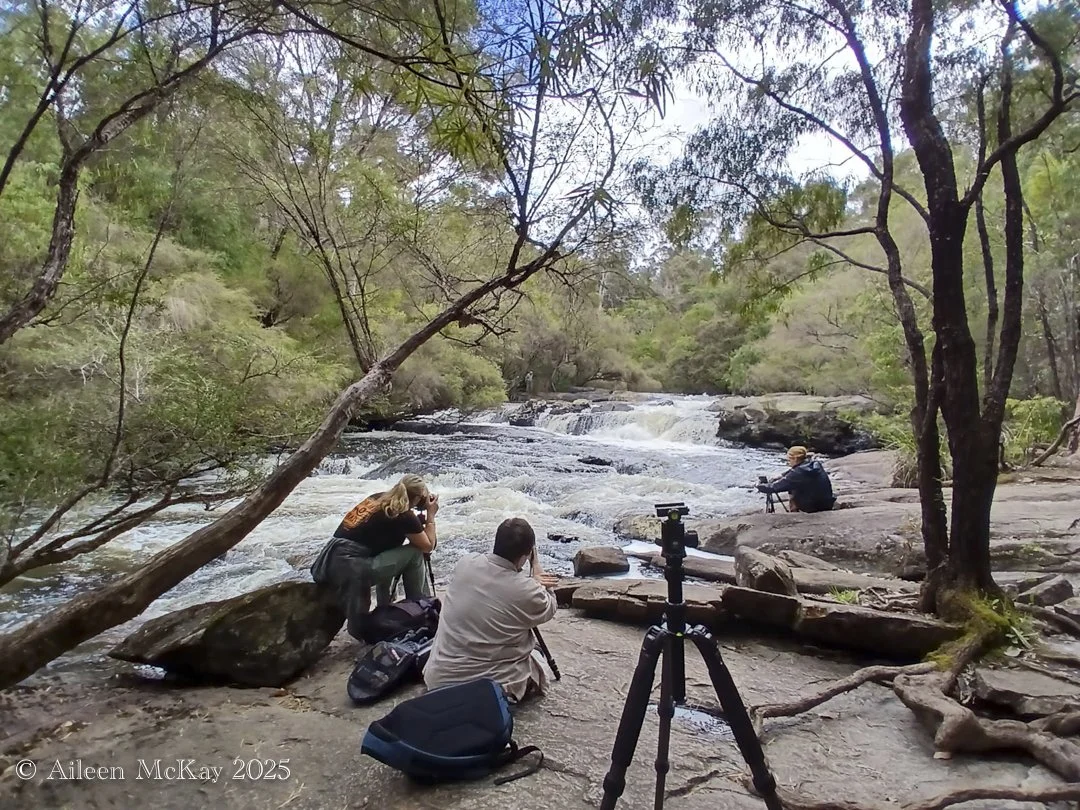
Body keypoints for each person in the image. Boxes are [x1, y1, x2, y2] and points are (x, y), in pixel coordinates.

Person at [423, 517, 558, 703]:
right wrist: (536, 570)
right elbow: (549, 606)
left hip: (438, 678)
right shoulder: (527, 590)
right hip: (482, 690)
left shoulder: (465, 563)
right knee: (536, 657)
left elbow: (497, 582)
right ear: (525, 556)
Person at [311, 474, 438, 641]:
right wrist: (430, 515)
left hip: (330, 561)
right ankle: (421, 609)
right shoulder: (404, 515)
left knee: (392, 552)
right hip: (353, 566)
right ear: (415, 498)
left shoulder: (376, 498)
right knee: (414, 553)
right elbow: (428, 545)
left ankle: (384, 609)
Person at [756, 445, 836, 513]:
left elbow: (774, 487)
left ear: (795, 459)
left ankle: (795, 511)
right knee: (797, 485)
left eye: (789, 459)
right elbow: (794, 471)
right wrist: (781, 475)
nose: (788, 462)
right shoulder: (814, 464)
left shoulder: (799, 473)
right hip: (827, 502)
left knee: (792, 488)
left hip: (814, 506)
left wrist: (759, 486)